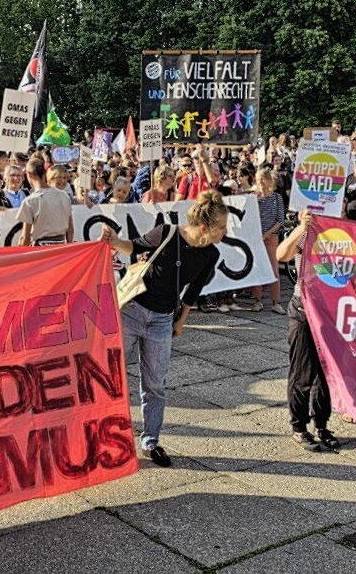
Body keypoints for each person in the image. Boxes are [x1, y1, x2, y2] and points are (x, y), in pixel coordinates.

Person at [101, 190, 228, 467]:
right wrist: (113, 240)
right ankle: (106, 437)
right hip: (132, 312)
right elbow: (133, 247)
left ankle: (151, 441)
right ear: (205, 228)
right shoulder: (166, 233)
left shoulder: (211, 254)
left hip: (161, 320)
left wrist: (180, 322)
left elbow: (193, 291)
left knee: (155, 384)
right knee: (111, 377)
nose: (225, 233)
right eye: (221, 228)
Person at [277, 209, 340, 452]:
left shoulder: (343, 234)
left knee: (326, 375)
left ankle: (321, 424)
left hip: (331, 313)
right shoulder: (308, 231)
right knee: (303, 372)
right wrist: (302, 228)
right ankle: (299, 427)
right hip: (304, 311)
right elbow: (281, 254)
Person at [250, 168, 285, 314]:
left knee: (273, 270)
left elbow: (280, 220)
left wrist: (268, 234)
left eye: (263, 179)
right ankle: (257, 301)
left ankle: (275, 302)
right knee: (257, 270)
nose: (260, 182)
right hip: (257, 238)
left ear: (270, 180)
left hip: (271, 238)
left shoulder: (277, 198)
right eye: (258, 179)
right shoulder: (253, 198)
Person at [16, 160, 73, 246]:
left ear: (29, 174)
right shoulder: (63, 195)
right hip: (61, 248)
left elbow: (25, 237)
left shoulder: (30, 201)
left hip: (41, 250)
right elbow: (70, 229)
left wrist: (20, 255)